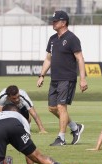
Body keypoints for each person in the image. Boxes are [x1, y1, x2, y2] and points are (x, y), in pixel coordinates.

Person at [37, 10, 88, 146]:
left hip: (67, 78)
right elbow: (48, 59)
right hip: (55, 79)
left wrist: (83, 79)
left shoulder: (72, 38)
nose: (52, 23)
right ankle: (74, 127)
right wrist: (42, 75)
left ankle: (61, 138)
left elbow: (80, 59)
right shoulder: (52, 39)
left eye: (55, 21)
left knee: (61, 107)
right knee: (52, 108)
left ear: (63, 22)